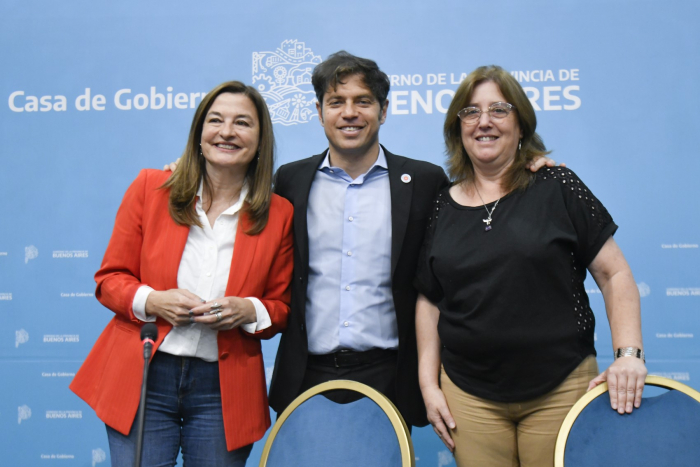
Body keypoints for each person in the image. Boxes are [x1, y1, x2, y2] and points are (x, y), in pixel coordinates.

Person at [265, 51, 556, 428]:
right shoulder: (290, 181)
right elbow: (236, 203)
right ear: (320, 111)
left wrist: (532, 168)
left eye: (363, 101)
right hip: (306, 373)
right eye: (336, 102)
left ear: (383, 110)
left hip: (391, 374)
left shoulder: (425, 182)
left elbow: (482, 207)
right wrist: (191, 172)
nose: (349, 112)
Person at [415, 65, 646, 466]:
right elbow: (430, 301)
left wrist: (629, 354)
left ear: (521, 125)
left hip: (562, 387)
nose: (484, 121)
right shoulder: (439, 204)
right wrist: (427, 383)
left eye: (499, 110)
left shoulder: (558, 186)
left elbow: (615, 273)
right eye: (470, 112)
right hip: (468, 398)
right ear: (458, 128)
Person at [70, 81, 293, 467]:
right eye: (215, 120)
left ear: (260, 140)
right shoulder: (150, 188)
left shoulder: (278, 213)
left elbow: (281, 308)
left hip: (223, 391)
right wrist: (153, 301)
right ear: (199, 133)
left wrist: (247, 310)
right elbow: (109, 281)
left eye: (242, 123)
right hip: (144, 377)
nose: (227, 131)